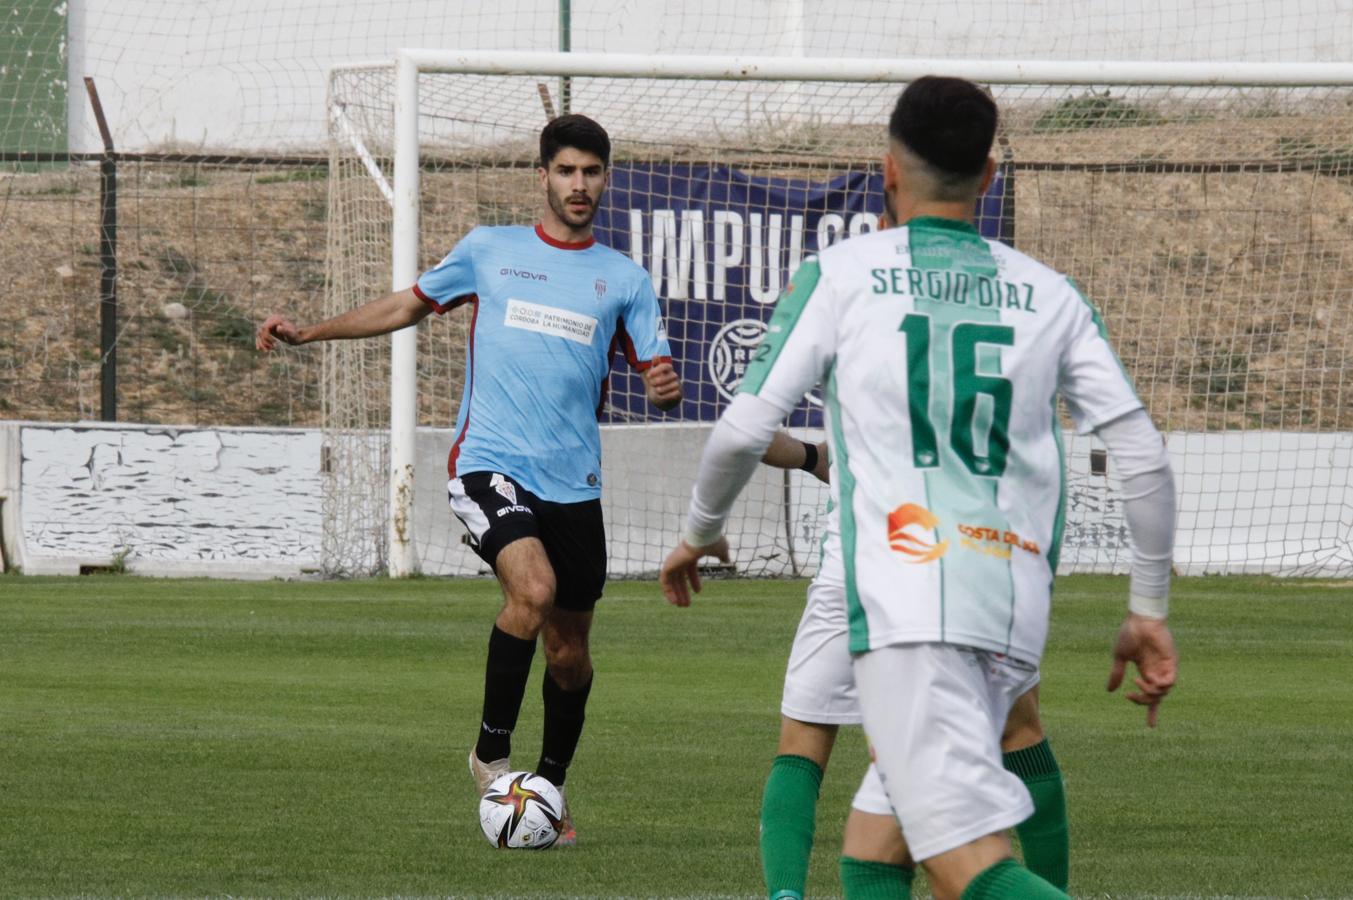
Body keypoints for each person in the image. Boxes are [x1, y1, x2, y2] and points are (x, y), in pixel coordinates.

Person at [661, 76, 1177, 899]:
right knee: (876, 838)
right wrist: (1146, 609)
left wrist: (698, 530)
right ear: (988, 178)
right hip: (1009, 603)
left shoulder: (842, 275)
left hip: (907, 602)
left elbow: (738, 430)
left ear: (887, 171)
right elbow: (1143, 457)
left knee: (964, 864)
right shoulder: (1052, 296)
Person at [257, 113, 683, 846]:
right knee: (533, 590)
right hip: (488, 463)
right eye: (565, 171)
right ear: (542, 175)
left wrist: (664, 386)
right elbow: (405, 305)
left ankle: (548, 786)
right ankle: (490, 754)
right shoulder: (491, 251)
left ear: (605, 178)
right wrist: (312, 331)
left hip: (573, 483)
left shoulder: (625, 278)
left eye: (591, 172)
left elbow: (655, 372)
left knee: (570, 653)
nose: (578, 185)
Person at [756, 437, 1069, 899]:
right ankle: (1051, 886)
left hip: (857, 583)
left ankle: (785, 895)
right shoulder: (994, 375)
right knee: (1014, 743)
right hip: (960, 576)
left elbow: (747, 432)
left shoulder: (851, 371)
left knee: (814, 759)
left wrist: (702, 530)